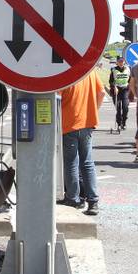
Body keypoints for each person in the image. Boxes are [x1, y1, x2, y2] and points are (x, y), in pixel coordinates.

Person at [58, 67, 106, 215]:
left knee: (71, 163)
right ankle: (93, 201)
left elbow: (56, 99)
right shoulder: (90, 71)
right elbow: (102, 92)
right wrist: (94, 110)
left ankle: (73, 198)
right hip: (88, 122)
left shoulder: (65, 74)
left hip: (69, 124)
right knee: (87, 163)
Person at [109, 57, 131, 132]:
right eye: (119, 62)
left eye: (122, 61)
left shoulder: (128, 69)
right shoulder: (114, 70)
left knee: (125, 107)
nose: (121, 63)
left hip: (125, 90)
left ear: (124, 62)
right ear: (117, 62)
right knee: (118, 108)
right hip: (117, 91)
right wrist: (114, 87)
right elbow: (111, 81)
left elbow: (131, 80)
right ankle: (119, 123)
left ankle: (124, 122)